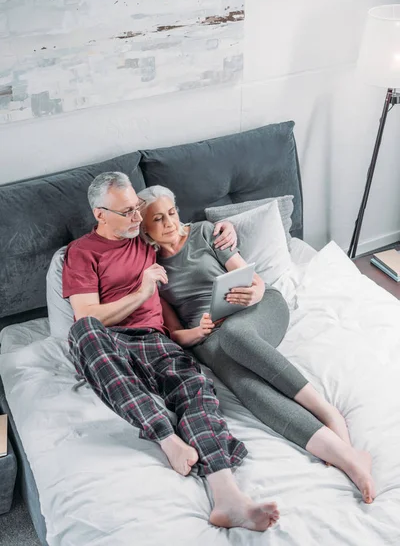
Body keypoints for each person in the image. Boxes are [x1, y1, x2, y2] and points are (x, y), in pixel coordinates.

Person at [62, 171, 280, 532]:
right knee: (82, 330)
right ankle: (165, 437)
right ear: (100, 214)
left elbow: (180, 226)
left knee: (196, 388)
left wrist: (223, 228)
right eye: (127, 212)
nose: (137, 218)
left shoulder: (146, 237)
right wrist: (142, 291)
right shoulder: (82, 253)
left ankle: (227, 497)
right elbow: (88, 316)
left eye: (137, 209)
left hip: (156, 341)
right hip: (108, 343)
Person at [138, 184, 376, 505]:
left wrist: (256, 292)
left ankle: (328, 413)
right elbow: (175, 333)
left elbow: (251, 277)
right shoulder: (152, 270)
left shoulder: (207, 233)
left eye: (172, 212)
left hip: (259, 308)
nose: (169, 222)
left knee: (236, 335)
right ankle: (349, 459)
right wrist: (200, 330)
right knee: (246, 387)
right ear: (144, 227)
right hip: (210, 339)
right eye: (158, 219)